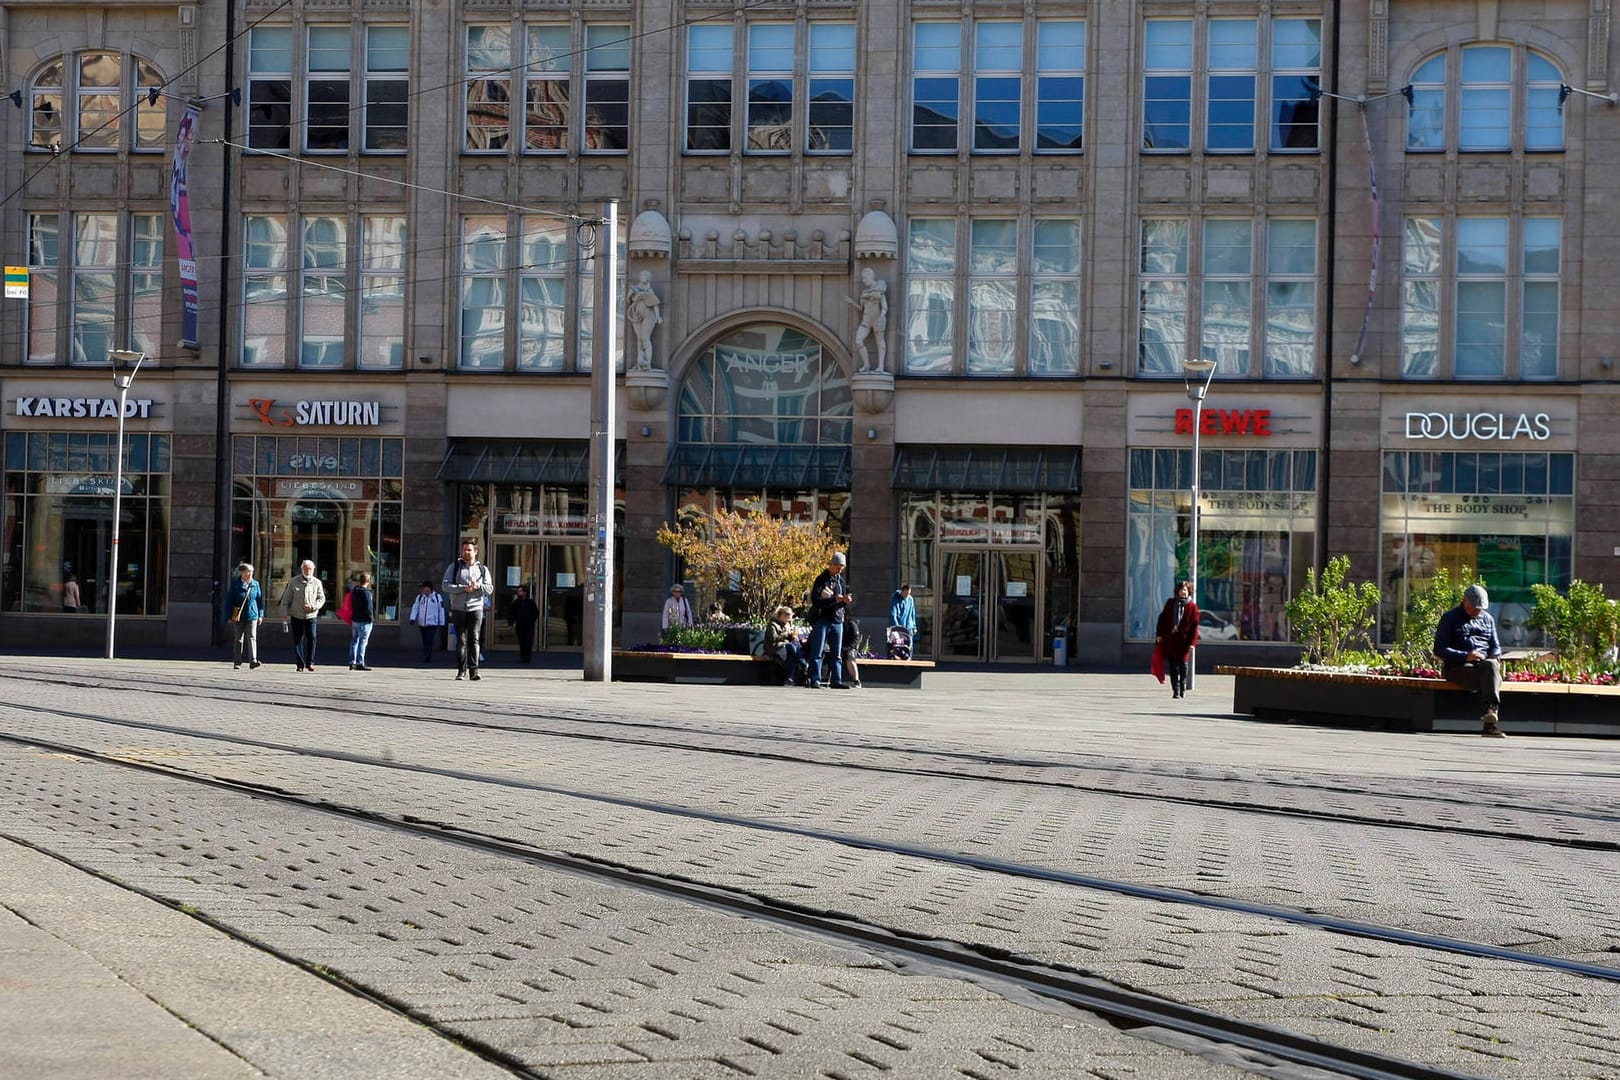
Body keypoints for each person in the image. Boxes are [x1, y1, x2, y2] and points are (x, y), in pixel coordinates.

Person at [1434, 583, 1506, 738]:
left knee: (1492, 666)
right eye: (1473, 607)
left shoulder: (1488, 619)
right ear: (1464, 601)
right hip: (1458, 667)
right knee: (1492, 676)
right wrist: (1466, 655)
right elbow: (1439, 649)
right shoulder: (1450, 618)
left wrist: (1494, 656)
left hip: (1484, 666)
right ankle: (1490, 722)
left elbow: (1496, 646)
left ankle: (1490, 713)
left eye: (1480, 608)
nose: (1476, 611)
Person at [443, 539, 494, 681]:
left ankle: (474, 670)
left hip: (476, 608)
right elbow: (445, 586)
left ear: (475, 552)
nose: (466, 552)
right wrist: (462, 588)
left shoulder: (482, 570)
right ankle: (461, 671)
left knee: (474, 638)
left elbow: (489, 588)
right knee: (461, 640)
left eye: (469, 550)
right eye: (464, 550)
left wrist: (477, 586)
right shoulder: (454, 568)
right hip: (458, 608)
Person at [806, 552, 853, 689]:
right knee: (818, 651)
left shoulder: (841, 581)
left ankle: (836, 680)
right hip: (823, 619)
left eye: (842, 568)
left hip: (837, 620)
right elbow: (816, 600)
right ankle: (815, 679)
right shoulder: (821, 579)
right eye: (838, 567)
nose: (840, 570)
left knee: (837, 653)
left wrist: (845, 601)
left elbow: (841, 599)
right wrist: (833, 599)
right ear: (831, 565)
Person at [279, 559, 326, 672]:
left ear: (313, 570)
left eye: (310, 569)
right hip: (296, 616)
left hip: (311, 616)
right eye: (305, 568)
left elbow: (322, 598)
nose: (307, 570)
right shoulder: (293, 582)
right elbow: (286, 600)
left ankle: (310, 663)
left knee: (312, 637)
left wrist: (314, 606)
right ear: (301, 569)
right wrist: (284, 614)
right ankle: (300, 664)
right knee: (298, 640)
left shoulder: (317, 582)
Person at [1155, 580, 1199, 700]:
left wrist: (1192, 643)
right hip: (1171, 640)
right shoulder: (1170, 603)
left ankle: (1183, 686)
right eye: (1181, 590)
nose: (1182, 592)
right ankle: (1175, 689)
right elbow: (1162, 619)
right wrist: (1159, 634)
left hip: (1184, 642)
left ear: (1188, 591)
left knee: (1183, 666)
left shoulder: (1192, 607)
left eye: (1184, 590)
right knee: (1173, 666)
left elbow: (1195, 627)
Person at [844, 267, 889, 373]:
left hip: (877, 319)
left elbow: (885, 307)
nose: (863, 281)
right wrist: (852, 303)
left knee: (880, 342)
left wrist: (882, 317)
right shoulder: (864, 292)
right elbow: (861, 308)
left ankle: (881, 366)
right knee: (858, 341)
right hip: (866, 321)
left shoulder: (880, 288)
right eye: (862, 279)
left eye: (865, 278)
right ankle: (867, 364)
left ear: (870, 276)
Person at [226, 562, 264, 670]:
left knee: (252, 637)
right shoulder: (236, 584)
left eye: (252, 571)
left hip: (252, 615)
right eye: (248, 571)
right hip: (239, 616)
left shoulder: (255, 584)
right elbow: (229, 601)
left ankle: (253, 660)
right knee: (239, 639)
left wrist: (260, 615)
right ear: (242, 572)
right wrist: (228, 616)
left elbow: (259, 601)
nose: (250, 573)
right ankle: (237, 662)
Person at [626, 270, 662, 371]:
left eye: (646, 276)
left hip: (649, 316)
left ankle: (647, 363)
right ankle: (640, 363)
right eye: (642, 275)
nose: (644, 277)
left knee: (645, 338)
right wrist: (631, 294)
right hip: (636, 316)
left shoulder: (649, 290)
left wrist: (658, 317)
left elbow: (655, 305)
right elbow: (628, 300)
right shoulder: (635, 288)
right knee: (639, 339)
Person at [765, 605, 804, 687]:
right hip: (774, 647)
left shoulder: (788, 625)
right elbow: (773, 638)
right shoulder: (772, 625)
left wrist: (793, 636)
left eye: (789, 616)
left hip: (785, 647)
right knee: (792, 648)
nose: (788, 618)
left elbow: (789, 638)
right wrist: (787, 634)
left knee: (792, 656)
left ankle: (788, 679)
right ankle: (803, 663)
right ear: (780, 615)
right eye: (786, 616)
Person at [408, 580, 446, 663]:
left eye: (427, 590)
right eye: (424, 590)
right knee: (424, 639)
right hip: (422, 623)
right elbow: (415, 608)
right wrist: (412, 618)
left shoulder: (437, 597)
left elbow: (441, 610)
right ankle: (426, 653)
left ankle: (428, 655)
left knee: (429, 639)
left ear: (430, 589)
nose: (425, 592)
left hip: (432, 623)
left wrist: (442, 622)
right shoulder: (420, 597)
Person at [347, 572, 375, 671]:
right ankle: (360, 662)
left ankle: (352, 662)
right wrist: (371, 619)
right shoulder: (367, 593)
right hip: (364, 621)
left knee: (354, 640)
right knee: (363, 642)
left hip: (355, 619)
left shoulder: (354, 591)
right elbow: (369, 608)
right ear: (368, 581)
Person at [510, 585, 540, 663]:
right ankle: (523, 655)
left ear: (525, 592)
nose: (518, 593)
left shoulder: (530, 602)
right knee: (521, 641)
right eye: (518, 591)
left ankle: (527, 656)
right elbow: (512, 613)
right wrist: (511, 623)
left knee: (528, 641)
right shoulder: (516, 602)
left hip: (529, 625)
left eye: (520, 591)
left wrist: (532, 621)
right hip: (520, 625)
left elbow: (536, 613)